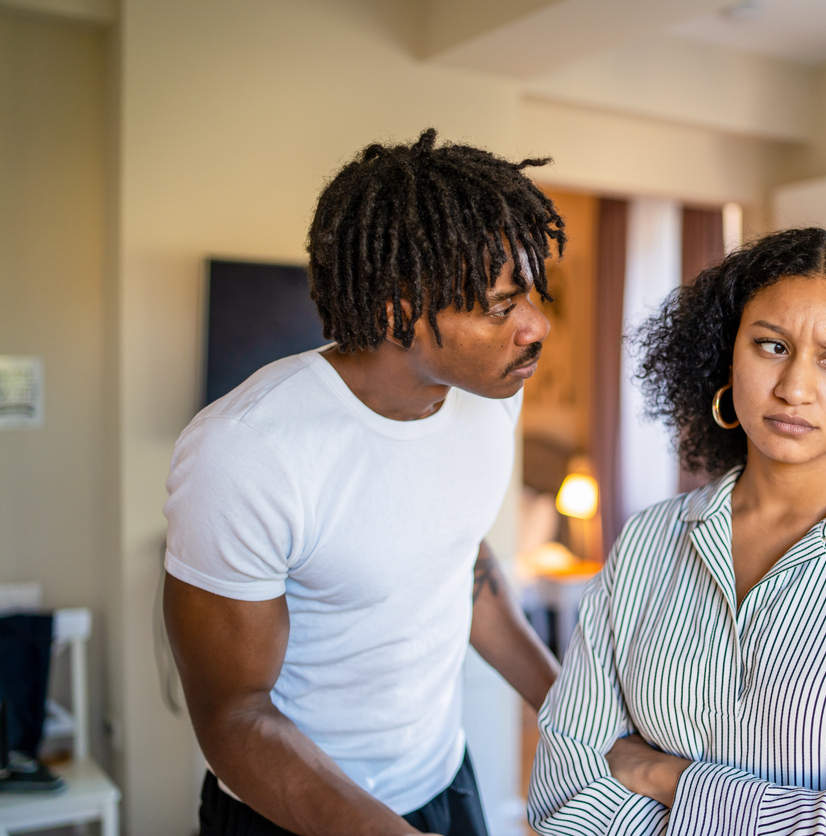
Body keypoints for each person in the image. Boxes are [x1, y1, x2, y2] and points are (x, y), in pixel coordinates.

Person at [528, 228, 826, 835]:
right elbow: (559, 792)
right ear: (727, 354)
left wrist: (665, 777)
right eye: (771, 346)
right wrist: (817, 813)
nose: (794, 388)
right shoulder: (648, 540)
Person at [163, 129, 564, 836]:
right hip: (289, 809)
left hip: (446, 782)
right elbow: (234, 714)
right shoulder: (247, 450)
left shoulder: (493, 397)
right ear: (395, 311)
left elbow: (460, 561)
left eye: (533, 290)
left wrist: (573, 713)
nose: (536, 325)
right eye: (501, 306)